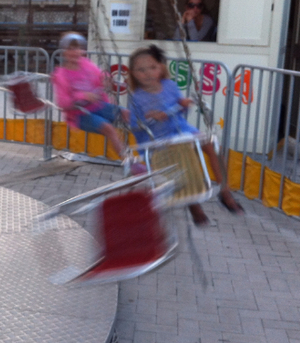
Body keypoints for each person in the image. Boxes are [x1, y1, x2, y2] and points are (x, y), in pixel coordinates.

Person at [127, 44, 243, 225]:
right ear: (133, 74)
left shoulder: (170, 85)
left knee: (211, 144)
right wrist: (150, 119)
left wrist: (183, 103)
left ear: (161, 68)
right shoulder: (137, 98)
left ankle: (225, 191)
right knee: (181, 162)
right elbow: (135, 125)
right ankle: (194, 206)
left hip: (180, 128)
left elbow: (180, 108)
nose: (148, 73)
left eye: (152, 67)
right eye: (141, 70)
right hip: (157, 138)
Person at [51, 32, 131, 161]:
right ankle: (129, 161)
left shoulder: (86, 64)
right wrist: (83, 96)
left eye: (77, 48)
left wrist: (105, 78)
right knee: (108, 128)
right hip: (79, 115)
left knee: (126, 113)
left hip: (97, 106)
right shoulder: (61, 74)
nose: (75, 52)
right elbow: (63, 103)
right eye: (70, 49)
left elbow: (100, 76)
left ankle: (150, 140)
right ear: (64, 52)